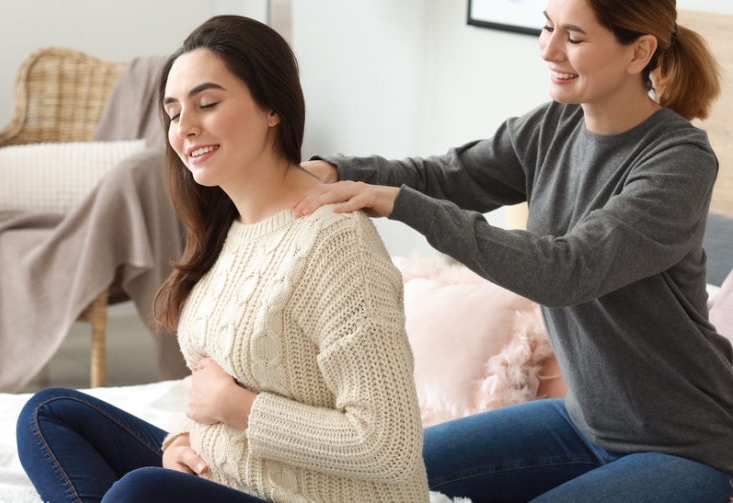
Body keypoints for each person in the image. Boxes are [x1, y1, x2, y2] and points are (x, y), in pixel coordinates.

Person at [292, 0, 733, 502]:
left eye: (574, 36)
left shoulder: (680, 161)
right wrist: (337, 168)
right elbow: (447, 175)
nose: (548, 49)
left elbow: (568, 270)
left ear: (640, 52)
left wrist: (405, 207)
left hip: (684, 447)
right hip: (583, 423)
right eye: (547, 28)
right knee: (371, 476)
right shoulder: (553, 127)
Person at [15, 15, 429, 503]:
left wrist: (239, 409)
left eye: (207, 104)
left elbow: (389, 446)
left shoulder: (335, 241)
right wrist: (182, 441)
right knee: (50, 414)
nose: (184, 128)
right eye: (172, 113)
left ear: (272, 107)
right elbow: (214, 385)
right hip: (228, 476)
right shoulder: (226, 229)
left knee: (139, 493)